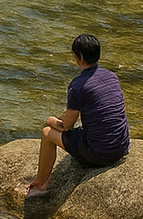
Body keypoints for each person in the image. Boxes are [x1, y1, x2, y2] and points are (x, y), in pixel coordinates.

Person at [24, 34, 130, 197]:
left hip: (99, 154)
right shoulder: (111, 76)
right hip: (121, 147)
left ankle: (40, 184)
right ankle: (41, 182)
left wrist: (51, 121)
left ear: (79, 57)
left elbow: (66, 126)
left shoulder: (78, 85)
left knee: (47, 132)